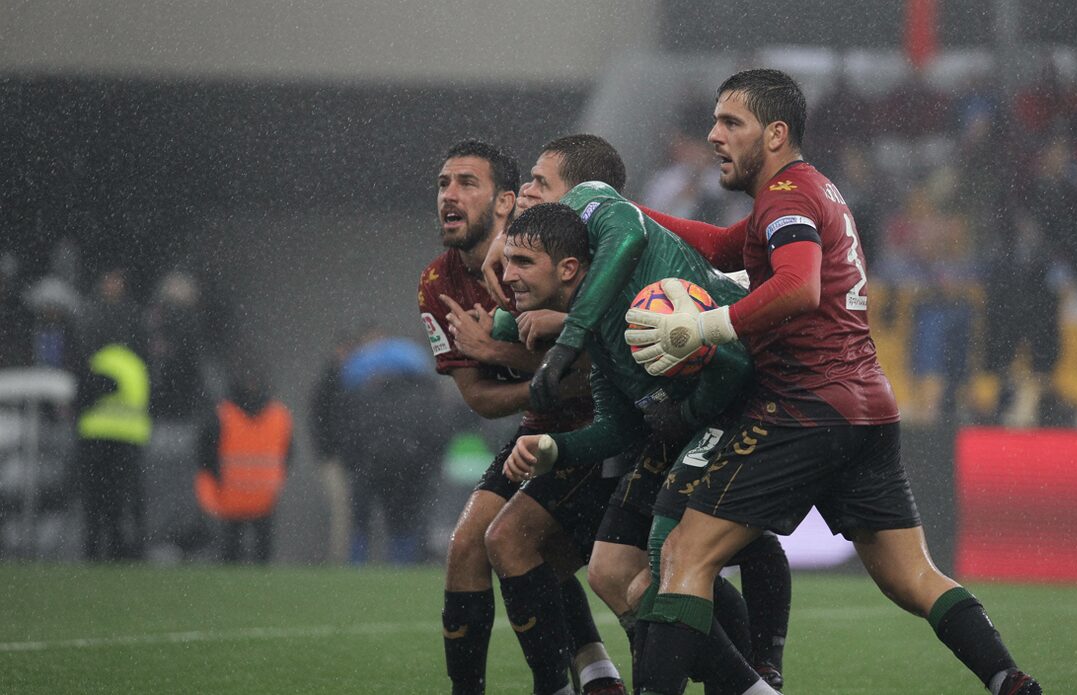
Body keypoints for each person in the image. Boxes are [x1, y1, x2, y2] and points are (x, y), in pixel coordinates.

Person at [623, 68, 1041, 695]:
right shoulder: (807, 188)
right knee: (912, 578)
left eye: (730, 122)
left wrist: (706, 326)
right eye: (714, 122)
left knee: (685, 554)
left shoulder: (786, 197)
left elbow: (799, 286)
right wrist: (629, 214)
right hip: (864, 409)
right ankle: (1012, 682)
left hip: (804, 406)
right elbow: (718, 246)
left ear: (775, 133)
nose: (714, 136)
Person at [485, 134, 794, 691]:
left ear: (572, 265)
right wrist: (553, 449)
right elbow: (621, 424)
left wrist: (684, 411)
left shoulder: (629, 274)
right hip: (677, 428)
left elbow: (732, 364)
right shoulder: (600, 324)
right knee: (611, 573)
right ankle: (748, 682)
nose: (526, 191)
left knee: (669, 565)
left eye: (523, 263)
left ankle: (752, 674)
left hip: (737, 412)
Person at [417, 140, 623, 695]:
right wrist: (526, 377)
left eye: (466, 183)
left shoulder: (551, 249)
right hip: (540, 426)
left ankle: (583, 677)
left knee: (524, 545)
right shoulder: (437, 285)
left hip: (603, 423)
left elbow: (592, 365)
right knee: (469, 544)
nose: (449, 196)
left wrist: (502, 353)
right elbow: (480, 398)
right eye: (442, 184)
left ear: (506, 203)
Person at [340, 330, 449, 564]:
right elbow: (438, 433)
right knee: (403, 522)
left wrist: (354, 462)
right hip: (410, 467)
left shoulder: (364, 393)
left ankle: (356, 566)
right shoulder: (424, 394)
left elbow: (350, 434)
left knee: (361, 520)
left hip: (369, 466)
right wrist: (426, 460)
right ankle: (400, 566)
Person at [74, 268, 151, 562]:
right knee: (100, 499)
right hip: (100, 431)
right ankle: (99, 550)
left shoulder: (114, 320)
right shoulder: (101, 319)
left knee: (116, 500)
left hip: (122, 432)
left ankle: (112, 550)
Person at [195, 364, 292, 564]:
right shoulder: (279, 415)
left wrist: (215, 479)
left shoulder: (223, 415)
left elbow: (205, 454)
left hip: (231, 494)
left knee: (231, 551)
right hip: (264, 494)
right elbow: (288, 453)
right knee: (262, 552)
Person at [308, 330, 355, 563]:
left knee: (343, 508)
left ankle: (341, 556)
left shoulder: (344, 381)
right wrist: (327, 451)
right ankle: (338, 558)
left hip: (341, 456)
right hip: (334, 456)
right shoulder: (332, 382)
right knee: (340, 508)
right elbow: (320, 421)